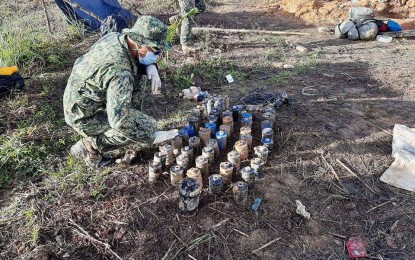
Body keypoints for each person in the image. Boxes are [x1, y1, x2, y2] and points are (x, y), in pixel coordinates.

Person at [63, 16, 178, 167]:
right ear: (139, 43)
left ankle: (126, 118)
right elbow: (120, 119)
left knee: (138, 82)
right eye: (155, 50)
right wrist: (149, 135)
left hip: (84, 96)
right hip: (83, 114)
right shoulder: (119, 71)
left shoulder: (118, 38)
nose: (158, 55)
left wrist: (150, 66)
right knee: (138, 127)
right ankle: (89, 146)